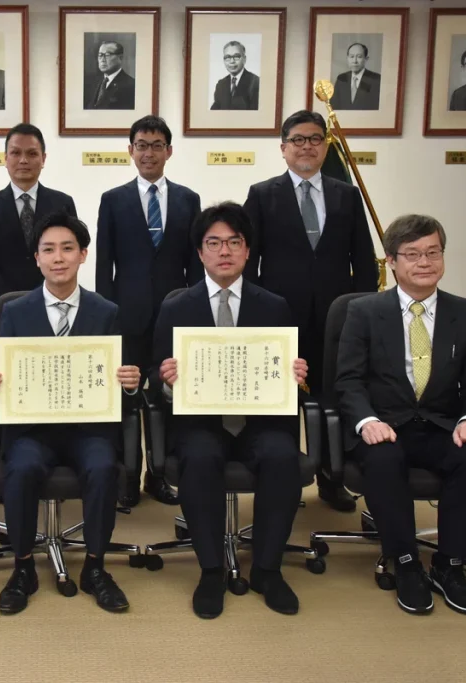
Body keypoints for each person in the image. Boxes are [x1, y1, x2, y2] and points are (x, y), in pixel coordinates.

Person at [0, 211, 140, 615]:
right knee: (22, 468)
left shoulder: (107, 312)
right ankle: (22, 568)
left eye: (68, 248)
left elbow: (125, 386)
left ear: (83, 255)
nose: (58, 257)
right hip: (32, 428)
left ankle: (96, 568)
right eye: (48, 249)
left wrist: (132, 382)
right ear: (36, 258)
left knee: (103, 468)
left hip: (89, 428)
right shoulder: (13, 312)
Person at [152, 202, 309, 618]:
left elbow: (289, 370)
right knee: (200, 457)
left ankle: (268, 569)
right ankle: (210, 570)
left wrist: (296, 371)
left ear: (247, 251)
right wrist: (166, 379)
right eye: (214, 243)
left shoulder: (274, 305)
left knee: (281, 456)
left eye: (234, 242)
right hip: (200, 421)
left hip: (260, 421)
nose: (224, 251)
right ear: (200, 252)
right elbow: (155, 374)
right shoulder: (176, 307)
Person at [335, 214, 466, 616]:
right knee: (385, 459)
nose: (425, 262)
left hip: (443, 424)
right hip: (386, 425)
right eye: (413, 254)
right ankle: (405, 562)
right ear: (391, 261)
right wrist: (366, 421)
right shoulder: (365, 312)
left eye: (433, 252)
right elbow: (348, 381)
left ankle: (450, 565)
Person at [243, 109, 377, 512]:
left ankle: (332, 478)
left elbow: (365, 260)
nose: (307, 146)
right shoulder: (262, 194)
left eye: (315, 139)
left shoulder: (346, 194)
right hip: (280, 316)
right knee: (283, 398)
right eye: (298, 139)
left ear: (325, 146)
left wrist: (364, 311)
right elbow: (250, 261)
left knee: (331, 398)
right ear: (283, 148)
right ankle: (286, 475)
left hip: (338, 319)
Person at [95, 115, 202, 507]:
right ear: (130, 151)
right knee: (124, 398)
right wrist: (106, 316)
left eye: (157, 145)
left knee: (167, 394)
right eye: (141, 144)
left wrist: (192, 312)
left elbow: (194, 264)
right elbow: (104, 265)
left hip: (175, 316)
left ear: (169, 151)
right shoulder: (113, 199)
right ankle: (127, 476)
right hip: (126, 315)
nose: (149, 152)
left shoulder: (189, 199)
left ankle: (160, 475)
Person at [0, 123, 77, 334]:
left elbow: (69, 252)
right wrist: (14, 301)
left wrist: (46, 295)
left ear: (43, 159)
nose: (23, 160)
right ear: (5, 158)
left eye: (32, 153)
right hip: (3, 308)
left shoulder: (62, 204)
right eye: (16, 153)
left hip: (56, 305)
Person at [331, 43, 381, 111]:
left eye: (359, 57)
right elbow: (334, 107)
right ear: (347, 58)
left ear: (366, 59)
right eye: (351, 57)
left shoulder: (376, 79)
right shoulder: (341, 78)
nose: (355, 61)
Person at [210, 41, 259, 110]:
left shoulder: (256, 82)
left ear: (244, 59)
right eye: (227, 57)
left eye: (236, 56)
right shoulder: (221, 84)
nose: (232, 61)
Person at [86, 41, 136, 110]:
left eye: (107, 55)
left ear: (120, 58)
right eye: (100, 55)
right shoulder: (93, 83)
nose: (102, 59)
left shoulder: (131, 85)